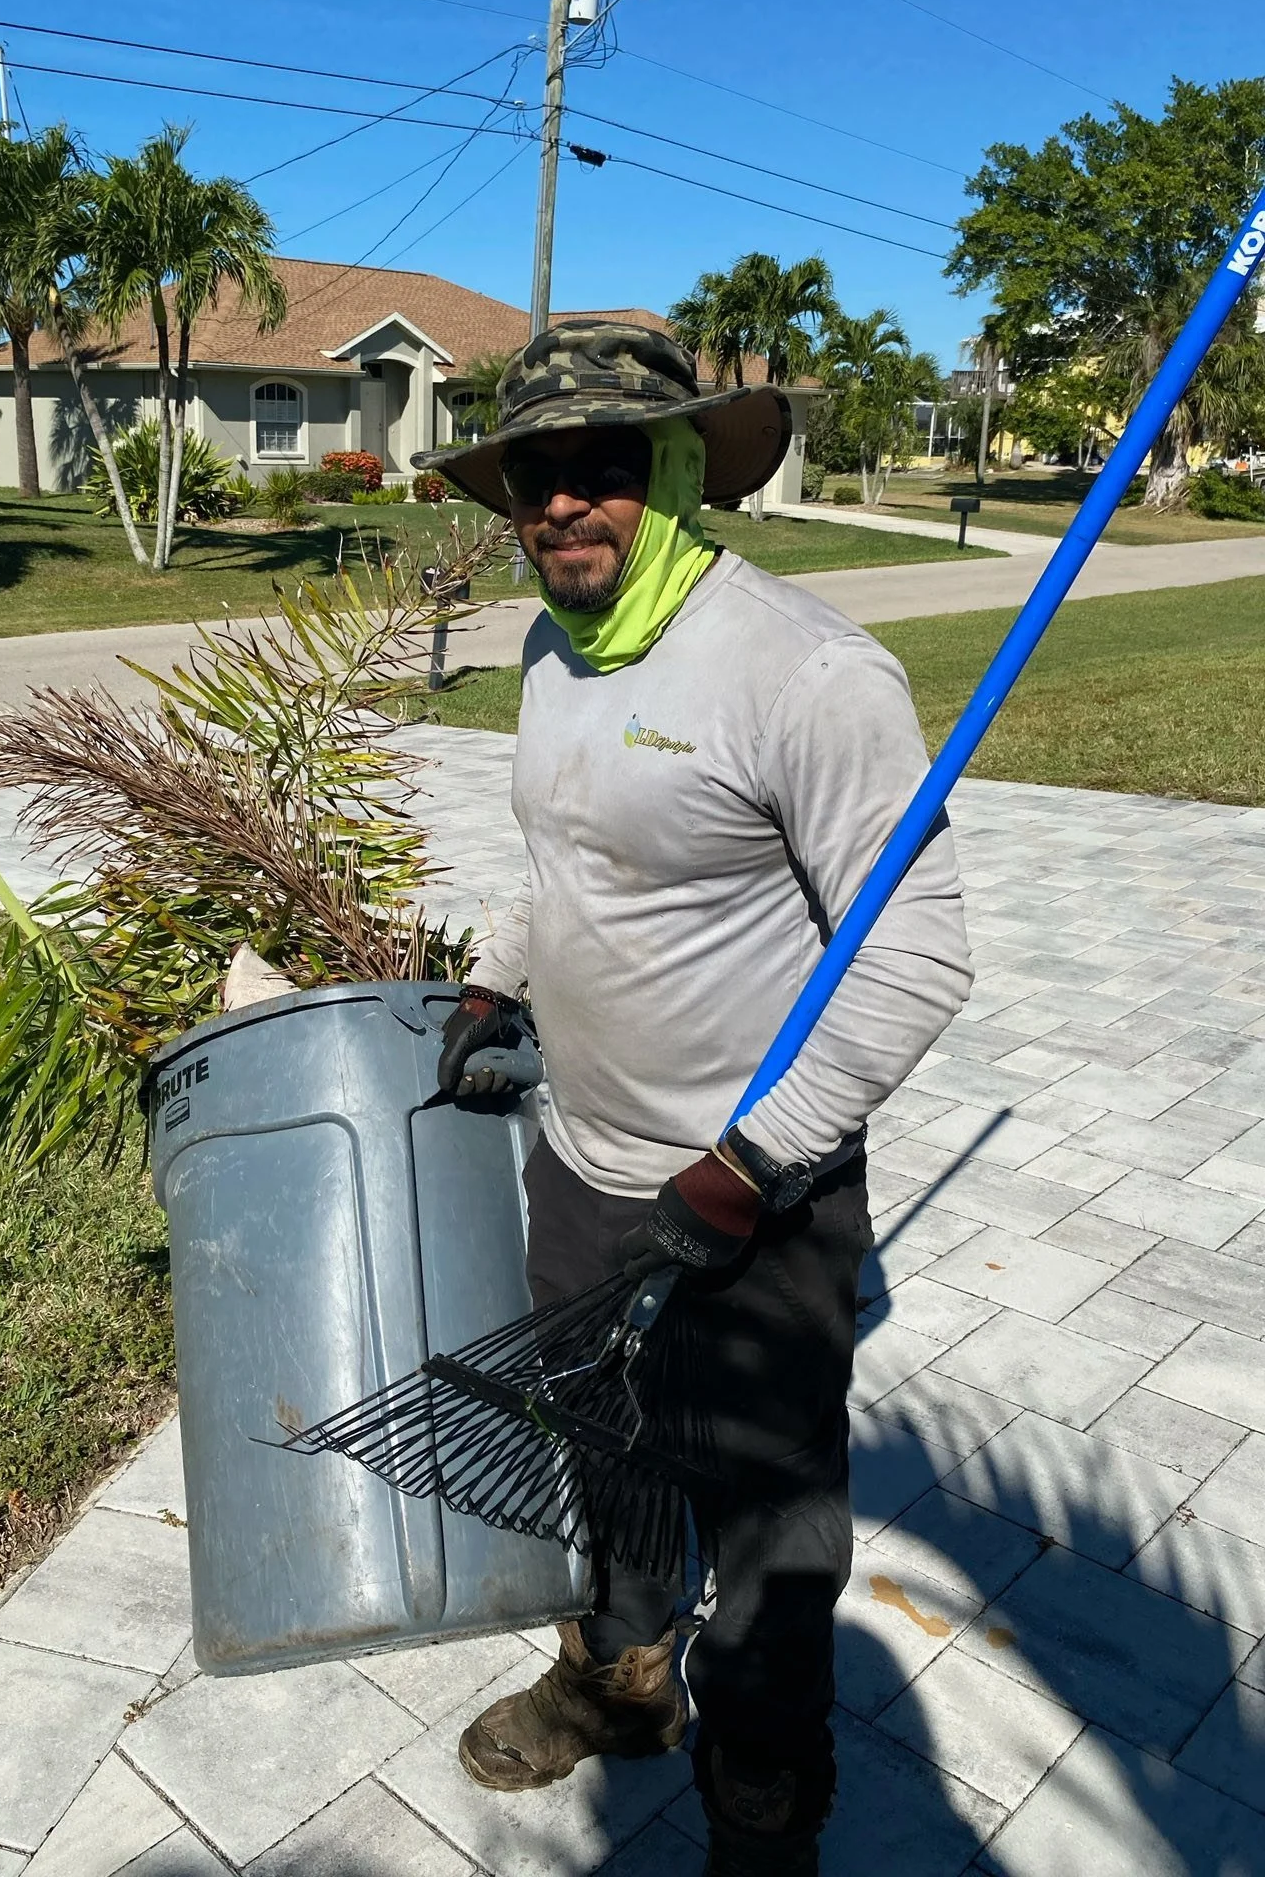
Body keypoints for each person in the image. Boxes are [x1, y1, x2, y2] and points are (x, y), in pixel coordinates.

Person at [412, 321, 973, 1877]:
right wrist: (496, 975)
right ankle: (623, 1679)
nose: (565, 502)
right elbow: (566, 860)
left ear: (677, 474)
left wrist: (753, 1161)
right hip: (584, 1164)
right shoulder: (551, 647)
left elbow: (920, 958)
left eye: (605, 466)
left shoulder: (805, 671)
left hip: (755, 1193)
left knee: (773, 1525)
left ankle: (765, 1800)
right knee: (608, 1447)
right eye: (538, 472)